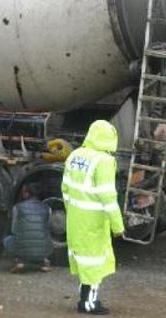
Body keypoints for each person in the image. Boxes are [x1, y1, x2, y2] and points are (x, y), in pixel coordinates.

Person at [61, 120, 125, 315]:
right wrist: (118, 225)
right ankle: (88, 304)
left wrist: (71, 210)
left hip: (76, 219)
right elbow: (108, 197)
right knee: (94, 265)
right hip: (94, 222)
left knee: (84, 263)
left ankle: (86, 299)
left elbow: (65, 188)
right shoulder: (104, 161)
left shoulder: (74, 155)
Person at [2, 184, 53, 273]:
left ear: (27, 194)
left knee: (7, 240)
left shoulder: (17, 207)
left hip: (22, 248)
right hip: (43, 249)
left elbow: (14, 229)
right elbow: (48, 229)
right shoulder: (47, 208)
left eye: (23, 192)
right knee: (45, 238)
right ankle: (45, 262)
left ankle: (19, 261)